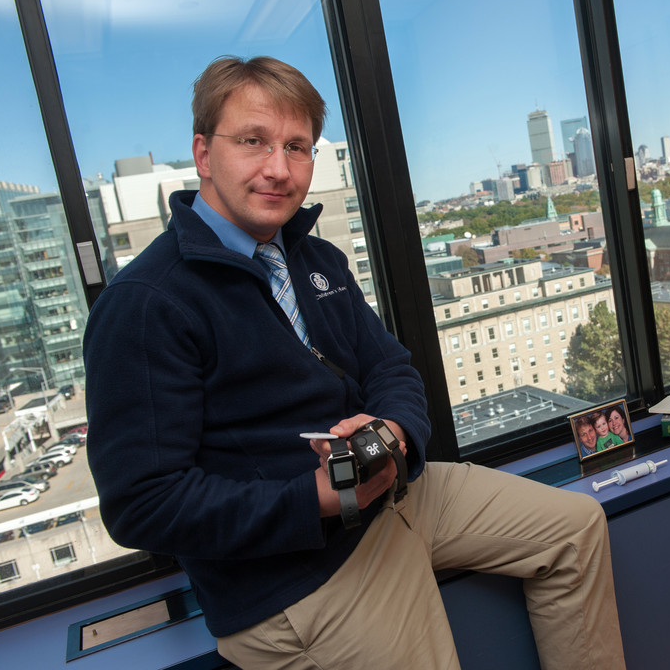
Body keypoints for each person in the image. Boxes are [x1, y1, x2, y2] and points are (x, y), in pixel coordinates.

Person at [83, 55, 625, 670]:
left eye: (298, 147)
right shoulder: (147, 304)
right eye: (253, 142)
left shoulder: (314, 259)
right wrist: (314, 497)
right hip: (299, 571)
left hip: (396, 494)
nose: (278, 169)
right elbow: (142, 504)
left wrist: (392, 434)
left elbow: (391, 367)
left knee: (576, 528)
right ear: (204, 154)